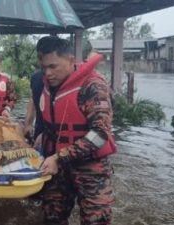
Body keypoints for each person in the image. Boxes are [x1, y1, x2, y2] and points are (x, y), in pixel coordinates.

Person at [37, 36, 116, 225]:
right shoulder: (51, 84)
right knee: (52, 217)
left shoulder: (93, 86)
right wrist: (43, 136)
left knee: (96, 220)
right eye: (44, 67)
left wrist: (58, 157)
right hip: (59, 166)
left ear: (72, 60)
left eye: (53, 66)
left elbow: (100, 135)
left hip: (90, 167)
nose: (47, 73)